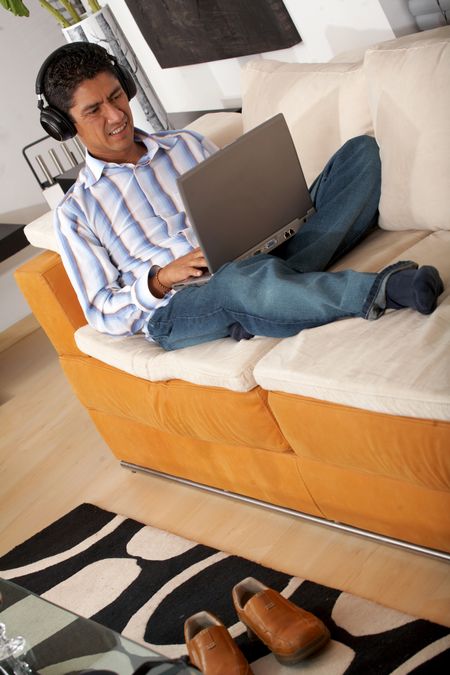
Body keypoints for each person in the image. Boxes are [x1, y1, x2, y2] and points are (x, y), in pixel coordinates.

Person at [39, 42, 443, 351]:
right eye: (94, 110)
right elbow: (100, 311)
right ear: (65, 125)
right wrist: (160, 279)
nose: (115, 115)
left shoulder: (185, 143)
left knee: (360, 155)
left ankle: (267, 303)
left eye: (116, 96)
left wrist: (276, 211)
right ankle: (383, 289)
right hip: (178, 308)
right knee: (235, 283)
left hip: (253, 257)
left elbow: (242, 201)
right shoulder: (77, 211)